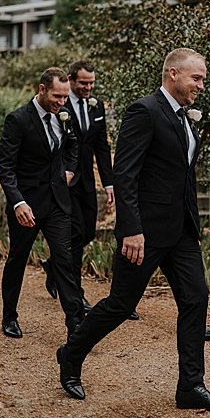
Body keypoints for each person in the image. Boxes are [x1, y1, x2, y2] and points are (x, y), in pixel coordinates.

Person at [57, 48, 210, 412]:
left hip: (181, 230)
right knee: (121, 305)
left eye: (202, 78)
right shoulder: (145, 111)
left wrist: (193, 221)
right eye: (195, 78)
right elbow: (125, 173)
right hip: (145, 232)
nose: (201, 85)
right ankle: (70, 354)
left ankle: (191, 386)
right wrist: (131, 230)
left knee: (195, 297)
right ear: (172, 74)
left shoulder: (186, 117)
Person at [0, 67, 84, 340]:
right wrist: (18, 202)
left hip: (57, 201)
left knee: (64, 259)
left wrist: (69, 170)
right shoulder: (18, 120)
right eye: (57, 96)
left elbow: (72, 146)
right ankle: (9, 316)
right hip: (27, 206)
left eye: (65, 97)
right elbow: (5, 166)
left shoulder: (64, 116)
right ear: (42, 89)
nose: (61, 102)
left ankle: (76, 324)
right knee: (17, 260)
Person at [41, 60, 123, 315]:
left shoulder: (95, 106)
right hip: (64, 181)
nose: (88, 87)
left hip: (87, 180)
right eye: (83, 83)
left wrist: (108, 182)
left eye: (91, 83)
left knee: (87, 232)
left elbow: (102, 146)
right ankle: (76, 294)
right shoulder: (59, 106)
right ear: (72, 80)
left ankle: (54, 265)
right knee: (75, 234)